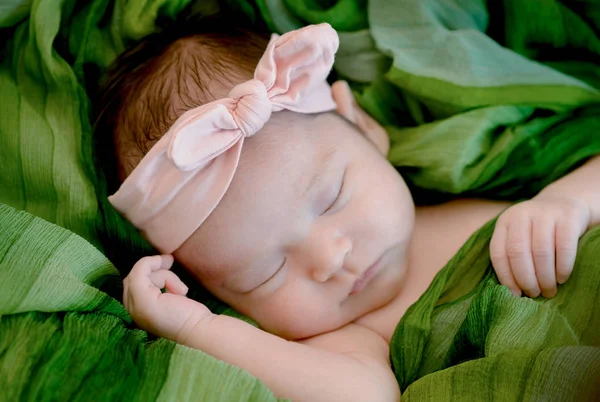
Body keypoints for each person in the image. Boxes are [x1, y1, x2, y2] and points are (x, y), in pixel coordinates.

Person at [95, 18, 600, 401]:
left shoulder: (490, 175)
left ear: (364, 125)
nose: (329, 259)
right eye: (263, 274)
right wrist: (197, 330)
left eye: (333, 195)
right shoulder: (348, 340)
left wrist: (569, 201)